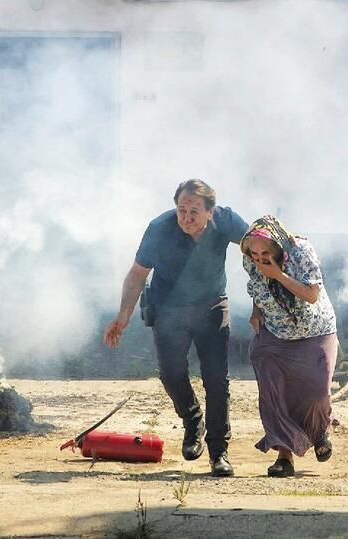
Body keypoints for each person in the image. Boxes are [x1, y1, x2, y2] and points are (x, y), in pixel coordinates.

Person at [103, 179, 248, 476]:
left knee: (217, 379)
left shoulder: (226, 221)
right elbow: (136, 275)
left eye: (194, 211)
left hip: (211, 305)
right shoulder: (159, 228)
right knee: (171, 374)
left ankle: (218, 452)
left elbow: (259, 241)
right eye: (181, 209)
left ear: (211, 211)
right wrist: (122, 317)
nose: (186, 217)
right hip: (168, 308)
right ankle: (193, 420)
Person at [240, 215, 338, 477]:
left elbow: (311, 294)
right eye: (254, 253)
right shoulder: (250, 258)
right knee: (275, 392)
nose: (259, 258)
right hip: (275, 333)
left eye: (265, 252)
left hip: (314, 330)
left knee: (316, 392)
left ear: (278, 248)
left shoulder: (301, 251)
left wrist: (278, 274)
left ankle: (319, 430)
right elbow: (258, 287)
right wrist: (257, 310)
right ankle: (284, 456)